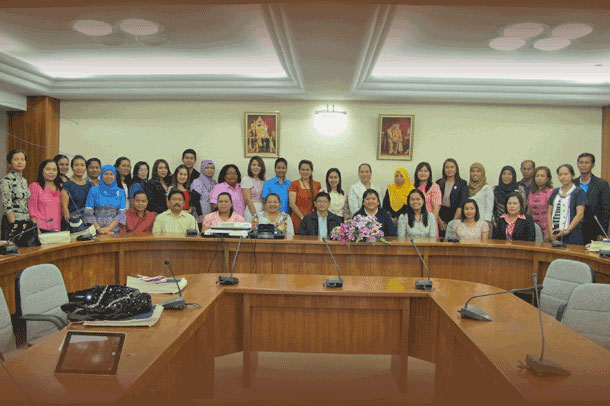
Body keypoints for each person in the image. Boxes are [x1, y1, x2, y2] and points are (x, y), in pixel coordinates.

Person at [573, 153, 610, 243]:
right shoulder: (572, 183)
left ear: (592, 165)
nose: (583, 165)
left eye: (587, 162)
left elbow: (606, 209)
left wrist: (602, 232)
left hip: (594, 228)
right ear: (577, 164)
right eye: (581, 162)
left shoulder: (601, 184)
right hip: (574, 228)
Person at [548, 164, 587, 245]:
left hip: (572, 233)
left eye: (566, 174)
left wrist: (567, 231)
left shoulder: (579, 192)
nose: (563, 177)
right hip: (555, 232)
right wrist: (551, 231)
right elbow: (549, 213)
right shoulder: (555, 192)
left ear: (572, 175)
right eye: (560, 175)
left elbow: (580, 215)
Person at [84, 165, 126, 234]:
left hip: (114, 231)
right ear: (101, 175)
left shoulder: (120, 192)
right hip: (95, 230)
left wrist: (109, 228)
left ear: (115, 176)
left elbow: (121, 213)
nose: (108, 176)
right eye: (106, 174)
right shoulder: (94, 190)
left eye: (111, 174)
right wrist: (98, 228)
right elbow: (88, 212)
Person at [0, 149, 31, 240]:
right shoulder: (6, 180)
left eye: (22, 159)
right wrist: (14, 225)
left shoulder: (24, 181)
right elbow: (7, 206)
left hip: (26, 220)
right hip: (13, 222)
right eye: (16, 159)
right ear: (10, 163)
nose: (20, 162)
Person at [28, 159, 62, 233]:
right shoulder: (35, 186)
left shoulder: (61, 188)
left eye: (54, 170)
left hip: (57, 229)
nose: (51, 172)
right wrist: (36, 230)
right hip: (41, 228)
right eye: (48, 169)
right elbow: (32, 211)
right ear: (42, 171)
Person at [436, 158, 468, 235]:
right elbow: (435, 203)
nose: (449, 169)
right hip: (440, 215)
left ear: (456, 169)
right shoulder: (438, 183)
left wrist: (453, 223)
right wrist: (439, 221)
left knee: (452, 238)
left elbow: (462, 204)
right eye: (447, 167)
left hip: (456, 214)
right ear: (444, 169)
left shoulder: (462, 183)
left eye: (452, 167)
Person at [289, 159, 321, 231]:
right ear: (299, 170)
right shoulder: (294, 184)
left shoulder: (317, 185)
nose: (305, 172)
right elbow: (292, 204)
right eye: (303, 170)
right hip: (298, 218)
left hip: (313, 219)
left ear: (311, 171)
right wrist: (302, 218)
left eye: (307, 170)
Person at [492, 165, 526, 231]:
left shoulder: (519, 189)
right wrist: (496, 224)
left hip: (518, 225)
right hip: (499, 225)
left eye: (509, 174)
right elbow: (493, 210)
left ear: (513, 176)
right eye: (504, 174)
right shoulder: (495, 190)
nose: (506, 176)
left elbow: (523, 207)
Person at [61, 155, 92, 224]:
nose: (79, 168)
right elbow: (64, 206)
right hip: (73, 222)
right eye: (76, 165)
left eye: (82, 165)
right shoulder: (67, 184)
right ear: (72, 168)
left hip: (87, 221)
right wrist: (69, 222)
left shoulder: (89, 185)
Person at [527, 166, 553, 241]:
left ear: (548, 178)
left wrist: (550, 231)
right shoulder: (531, 192)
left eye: (542, 176)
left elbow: (552, 213)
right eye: (537, 176)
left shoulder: (551, 192)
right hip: (533, 227)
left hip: (547, 228)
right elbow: (529, 211)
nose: (539, 178)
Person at [413, 162, 441, 230]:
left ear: (429, 173)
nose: (423, 173)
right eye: (420, 171)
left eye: (425, 171)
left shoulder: (434, 187)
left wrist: (430, 224)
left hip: (429, 223)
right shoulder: (412, 187)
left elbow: (436, 208)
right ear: (416, 173)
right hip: (413, 222)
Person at [242, 156, 266, 222]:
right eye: (254, 165)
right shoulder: (246, 179)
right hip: (251, 210)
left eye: (258, 165)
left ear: (261, 167)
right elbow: (248, 200)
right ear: (250, 166)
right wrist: (255, 215)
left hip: (262, 209)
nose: (256, 167)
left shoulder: (263, 180)